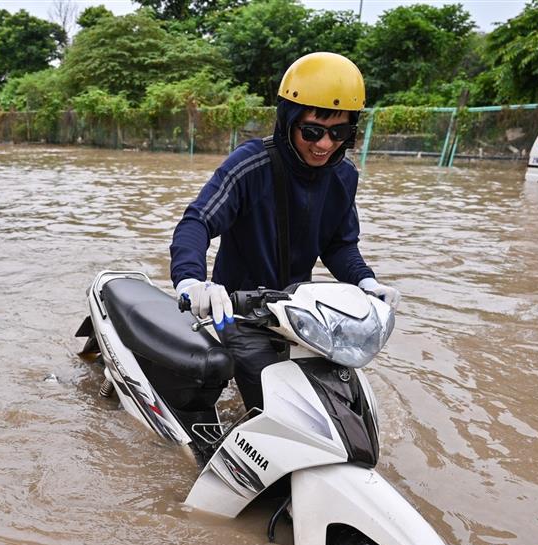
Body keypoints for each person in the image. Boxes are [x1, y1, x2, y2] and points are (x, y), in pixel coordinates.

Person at [169, 52, 400, 411]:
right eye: (313, 131)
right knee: (276, 407)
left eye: (339, 132)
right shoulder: (249, 164)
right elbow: (197, 221)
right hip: (237, 309)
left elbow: (339, 245)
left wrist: (366, 282)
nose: (325, 144)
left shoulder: (343, 177)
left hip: (298, 311)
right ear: (288, 120)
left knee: (340, 402)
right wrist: (191, 282)